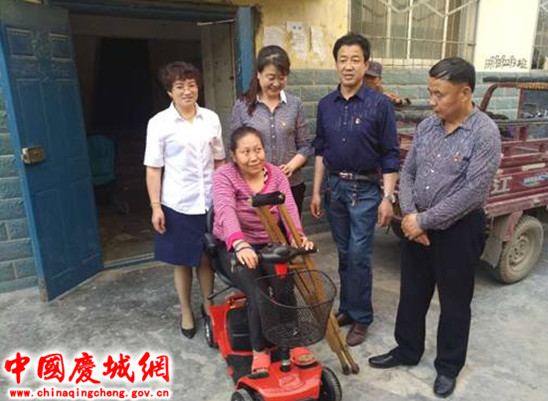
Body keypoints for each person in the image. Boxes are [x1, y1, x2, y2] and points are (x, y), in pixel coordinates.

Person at [368, 58, 502, 398]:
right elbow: (409, 171)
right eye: (430, 92)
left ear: (465, 93)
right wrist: (411, 215)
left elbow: (473, 192)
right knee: (412, 293)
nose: (431, 101)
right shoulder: (428, 126)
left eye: (439, 94)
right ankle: (407, 349)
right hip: (417, 224)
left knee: (455, 302)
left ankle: (448, 366)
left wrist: (424, 221)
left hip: (459, 230)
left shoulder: (485, 133)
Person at [310, 33, 400, 347]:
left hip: (365, 190)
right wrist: (317, 191)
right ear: (336, 64)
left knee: (360, 255)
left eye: (355, 60)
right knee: (345, 253)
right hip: (335, 188)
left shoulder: (380, 105)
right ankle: (348, 308)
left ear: (365, 64)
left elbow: (390, 154)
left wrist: (388, 197)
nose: (348, 66)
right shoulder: (326, 105)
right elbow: (320, 150)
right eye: (343, 60)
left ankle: (362, 317)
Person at [212, 126, 314, 375]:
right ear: (234, 155)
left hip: (270, 242)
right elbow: (225, 210)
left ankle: (291, 340)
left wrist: (298, 238)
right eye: (245, 152)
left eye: (258, 150)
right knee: (258, 292)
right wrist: (239, 243)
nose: (254, 157)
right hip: (234, 245)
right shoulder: (224, 175)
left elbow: (289, 209)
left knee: (283, 285)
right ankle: (259, 350)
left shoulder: (276, 175)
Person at [144, 61, 226, 339]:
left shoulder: (211, 119)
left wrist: (223, 198)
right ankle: (186, 311)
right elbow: (153, 168)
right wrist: (156, 207)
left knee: (206, 258)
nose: (187, 91)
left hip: (208, 202)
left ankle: (209, 306)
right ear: (170, 91)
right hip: (177, 203)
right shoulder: (159, 123)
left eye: (191, 85)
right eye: (180, 86)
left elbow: (219, 161)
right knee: (182, 261)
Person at [230, 45, 312, 215]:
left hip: (291, 186)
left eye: (282, 78)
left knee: (291, 229)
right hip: (255, 188)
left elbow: (305, 146)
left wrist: (291, 166)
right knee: (259, 231)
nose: (276, 83)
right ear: (258, 74)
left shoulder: (294, 104)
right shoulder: (242, 106)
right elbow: (234, 148)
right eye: (271, 77)